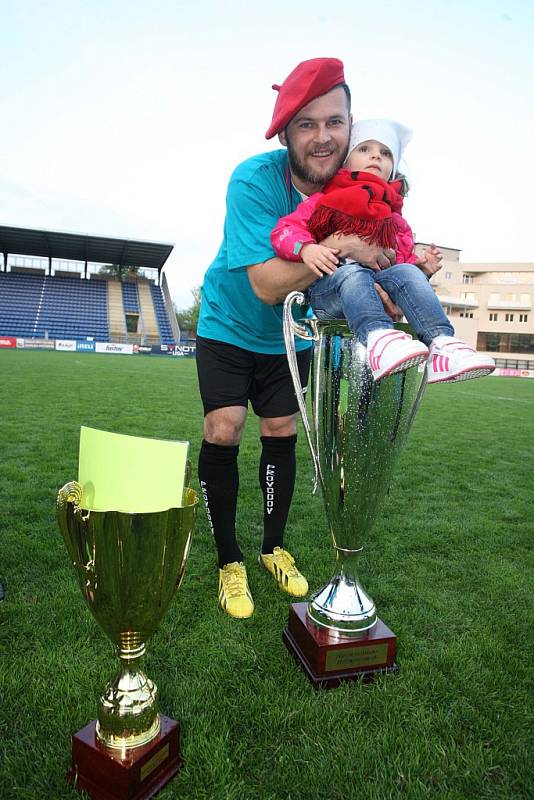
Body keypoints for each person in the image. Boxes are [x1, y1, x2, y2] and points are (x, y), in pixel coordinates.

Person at [196, 58, 439, 620]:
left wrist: (408, 273)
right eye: (307, 124)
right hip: (231, 324)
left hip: (294, 335)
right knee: (224, 427)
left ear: (353, 126)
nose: (323, 136)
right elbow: (264, 284)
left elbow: (380, 269)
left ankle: (272, 548)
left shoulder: (358, 185)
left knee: (281, 427)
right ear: (286, 133)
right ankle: (229, 559)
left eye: (336, 121)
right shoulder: (254, 179)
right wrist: (348, 246)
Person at [271, 118, 496, 382]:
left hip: (376, 295)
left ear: (393, 169)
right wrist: (306, 249)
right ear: (345, 161)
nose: (376, 155)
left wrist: (421, 270)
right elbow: (283, 231)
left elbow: (399, 265)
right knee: (352, 272)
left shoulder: (395, 220)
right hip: (330, 292)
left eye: (386, 152)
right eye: (364, 149)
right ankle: (378, 339)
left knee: (406, 272)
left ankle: (442, 344)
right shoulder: (323, 201)